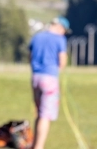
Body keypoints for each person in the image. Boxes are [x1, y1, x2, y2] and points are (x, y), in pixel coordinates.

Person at [29, 16, 70, 149]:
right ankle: (38, 147)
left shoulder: (37, 37)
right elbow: (62, 61)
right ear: (60, 27)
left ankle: (34, 144)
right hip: (50, 78)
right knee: (45, 115)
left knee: (39, 113)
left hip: (35, 78)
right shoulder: (59, 39)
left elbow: (30, 56)